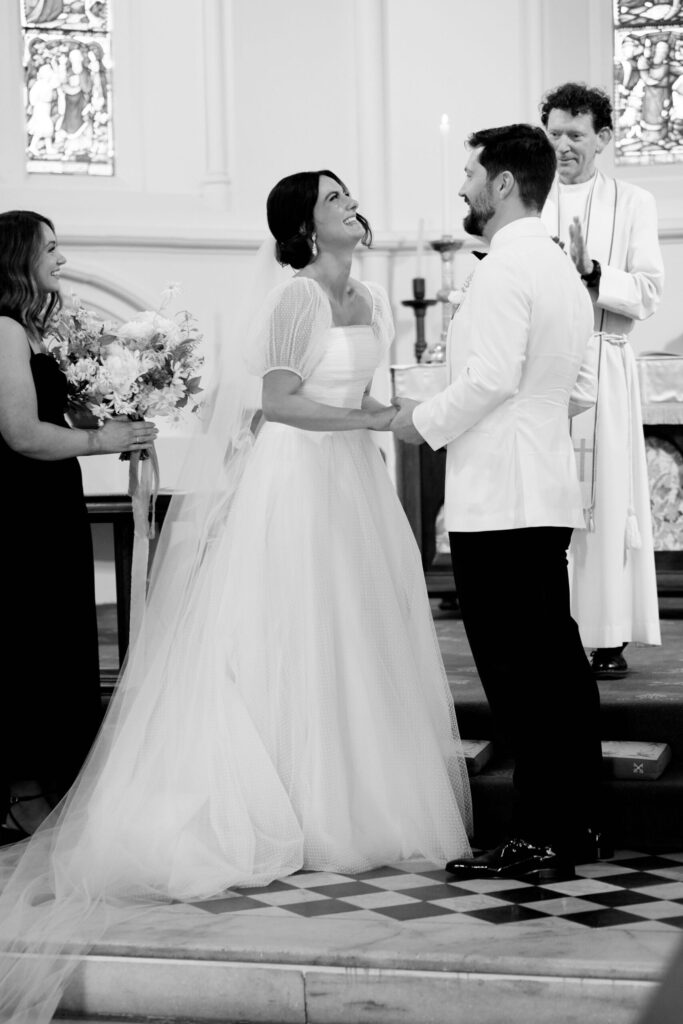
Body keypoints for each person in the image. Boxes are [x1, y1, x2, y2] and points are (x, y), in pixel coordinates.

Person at [0, 175, 472, 1022]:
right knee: (288, 628)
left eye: (350, 194)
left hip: (353, 483)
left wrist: (393, 416)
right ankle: (282, 797)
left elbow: (359, 395)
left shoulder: (367, 294)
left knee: (355, 634)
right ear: (303, 224)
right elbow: (281, 404)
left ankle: (355, 796)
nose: (352, 205)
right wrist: (370, 425)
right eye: (334, 198)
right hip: (295, 481)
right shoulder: (295, 297)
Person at [391, 124, 605, 882]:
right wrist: (530, 431)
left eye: (470, 174)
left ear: (504, 183)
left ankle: (539, 833)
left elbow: (485, 381)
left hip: (497, 501)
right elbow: (578, 389)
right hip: (542, 489)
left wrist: (415, 424)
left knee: (518, 676)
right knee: (557, 666)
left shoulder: (501, 272)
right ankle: (576, 822)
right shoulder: (560, 270)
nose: (462, 188)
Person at [0, 210, 158, 848]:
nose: (61, 261)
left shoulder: (36, 332)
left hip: (48, 502)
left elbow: (59, 407)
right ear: (19, 259)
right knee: (27, 647)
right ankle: (21, 795)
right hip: (16, 510)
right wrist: (103, 438)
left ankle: (49, 787)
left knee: (58, 639)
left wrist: (129, 400)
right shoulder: (5, 328)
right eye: (51, 250)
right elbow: (20, 432)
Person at [540, 82, 664, 680]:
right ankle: (549, 628)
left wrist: (592, 272)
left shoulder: (633, 201)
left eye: (575, 135)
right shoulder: (531, 200)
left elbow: (648, 290)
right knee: (547, 498)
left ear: (604, 139)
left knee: (605, 497)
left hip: (605, 358)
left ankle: (608, 635)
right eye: (555, 133)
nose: (562, 145)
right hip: (543, 368)